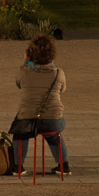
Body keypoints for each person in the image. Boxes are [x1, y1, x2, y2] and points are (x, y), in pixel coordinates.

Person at [13, 34, 72, 175]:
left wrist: (26, 62)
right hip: (53, 119)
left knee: (20, 134)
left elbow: (18, 84)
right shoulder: (58, 73)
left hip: (28, 118)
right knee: (54, 135)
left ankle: (18, 166)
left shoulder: (24, 72)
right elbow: (62, 90)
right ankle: (63, 165)